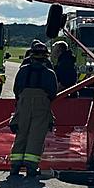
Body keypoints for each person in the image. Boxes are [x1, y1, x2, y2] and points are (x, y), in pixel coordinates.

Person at [9, 42, 58, 179]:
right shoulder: (49, 73)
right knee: (36, 135)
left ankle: (15, 165)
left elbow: (16, 89)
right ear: (45, 57)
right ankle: (31, 167)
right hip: (41, 104)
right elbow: (52, 93)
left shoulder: (23, 70)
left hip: (23, 103)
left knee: (21, 132)